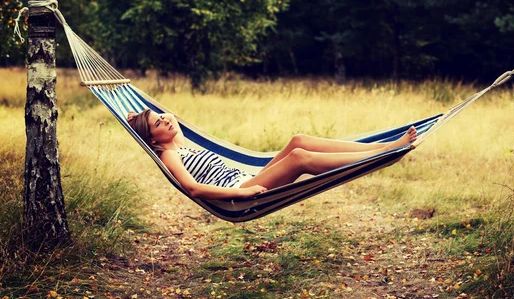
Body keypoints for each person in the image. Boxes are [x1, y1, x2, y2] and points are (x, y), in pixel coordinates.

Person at [127, 110, 418, 200]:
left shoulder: (177, 140)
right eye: (157, 123)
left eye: (162, 118)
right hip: (239, 189)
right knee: (299, 157)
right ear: (153, 137)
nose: (166, 121)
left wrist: (139, 114)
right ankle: (381, 153)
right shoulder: (170, 156)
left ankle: (380, 148)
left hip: (247, 176)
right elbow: (192, 188)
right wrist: (243, 194)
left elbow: (172, 118)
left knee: (298, 140)